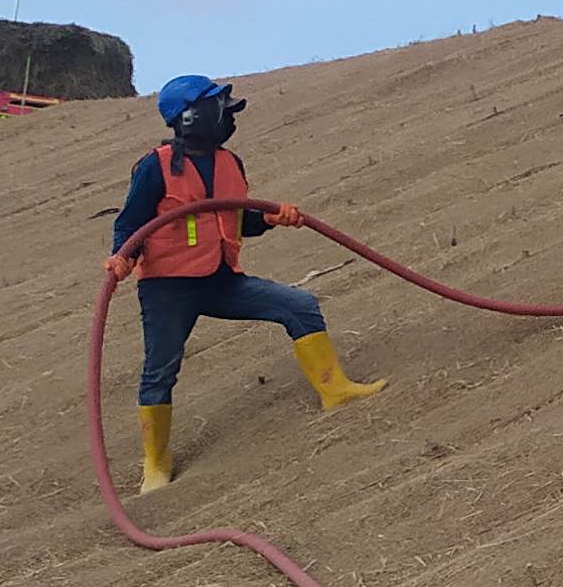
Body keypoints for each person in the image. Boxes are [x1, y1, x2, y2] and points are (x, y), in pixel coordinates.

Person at [106, 73, 384, 492]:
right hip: (168, 288)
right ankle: (156, 463)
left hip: (221, 279)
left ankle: (336, 391)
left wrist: (269, 219)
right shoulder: (155, 167)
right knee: (160, 370)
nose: (228, 115)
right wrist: (123, 257)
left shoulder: (230, 163)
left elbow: (236, 219)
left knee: (299, 305)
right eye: (218, 106)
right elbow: (130, 223)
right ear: (189, 117)